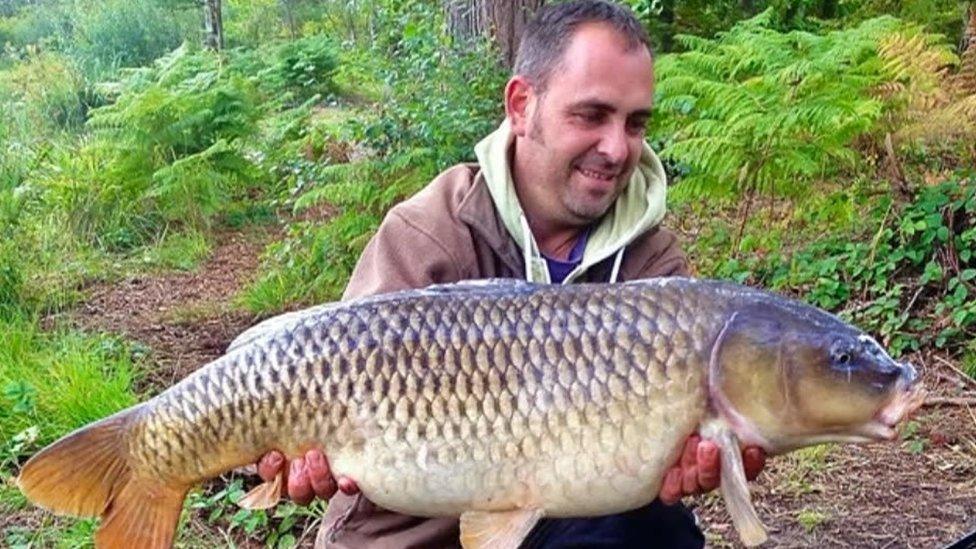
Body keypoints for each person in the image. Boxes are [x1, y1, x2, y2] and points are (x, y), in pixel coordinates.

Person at [256, 1, 766, 547]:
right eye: (591, 115)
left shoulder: (654, 271)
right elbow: (311, 377)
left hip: (566, 524)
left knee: (657, 531)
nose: (617, 148)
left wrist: (686, 463)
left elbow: (671, 460)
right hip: (409, 535)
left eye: (635, 122)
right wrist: (292, 460)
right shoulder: (429, 233)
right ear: (522, 105)